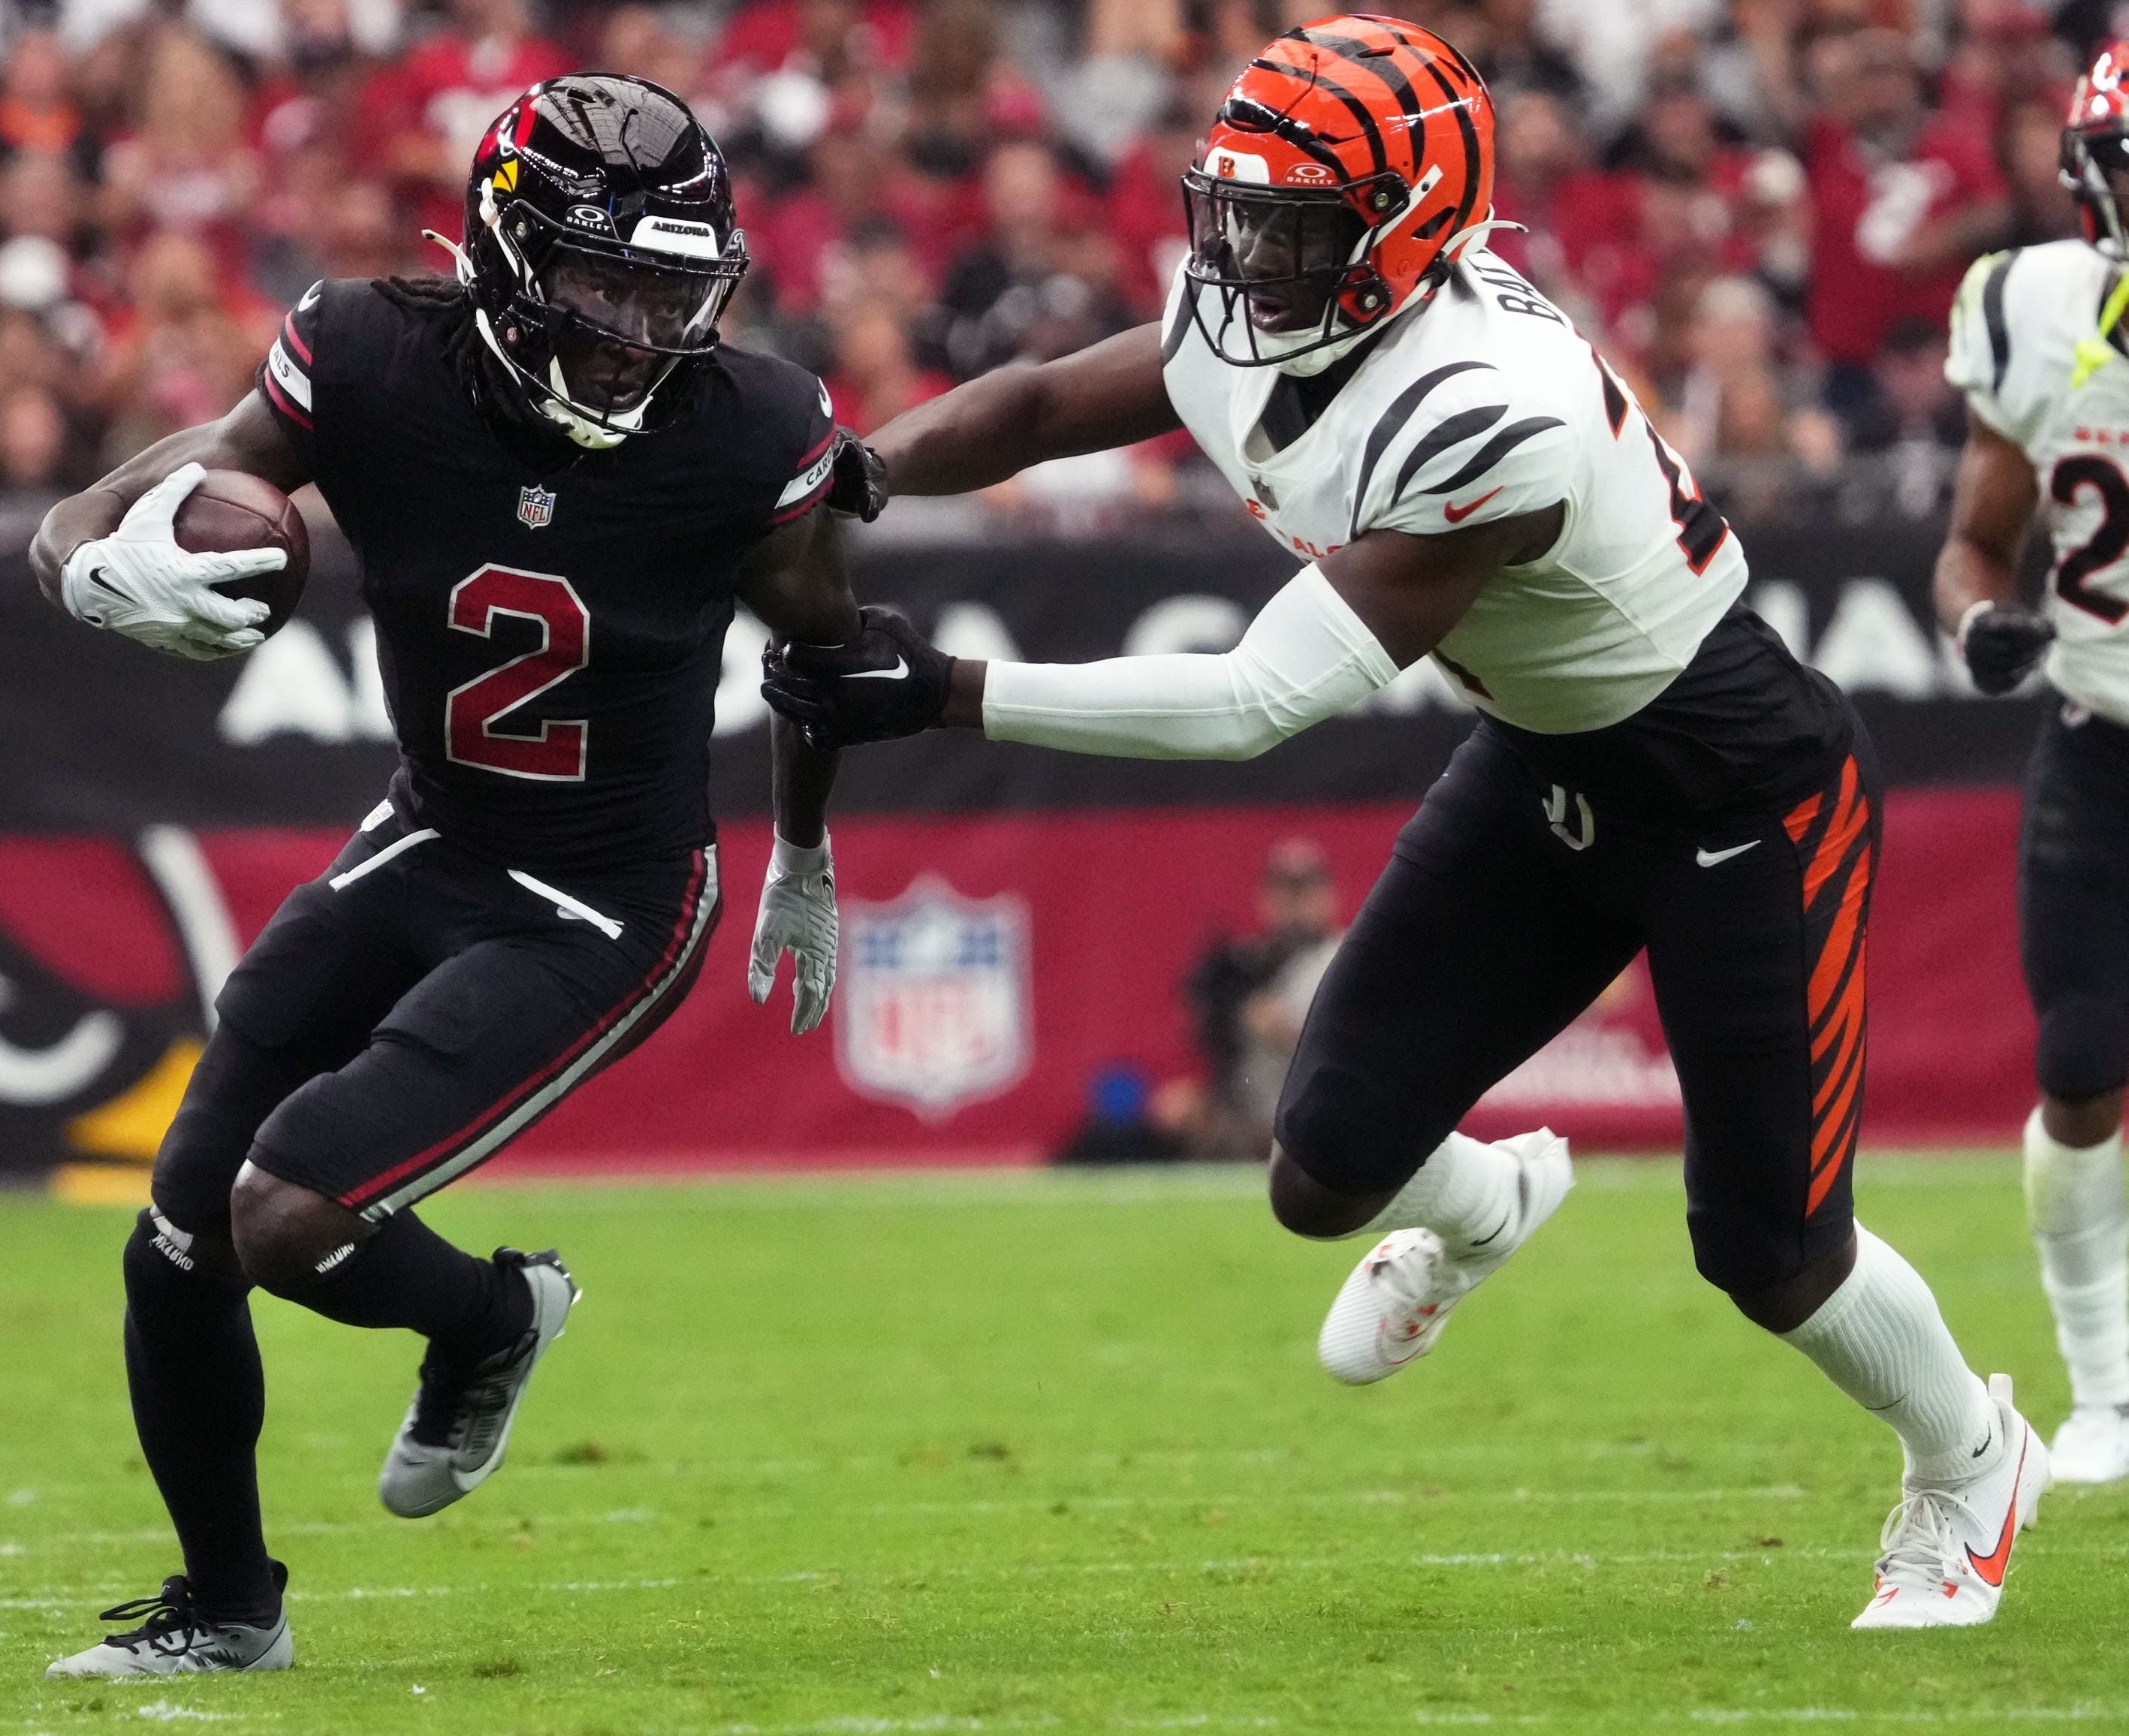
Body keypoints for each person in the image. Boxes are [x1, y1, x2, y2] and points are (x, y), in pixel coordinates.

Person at [770, 16, 2043, 1630]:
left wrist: (947, 690)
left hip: (1736, 796)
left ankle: (1969, 1454)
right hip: (1546, 762)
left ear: (1408, 231)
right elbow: (1027, 406)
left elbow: (1253, 701)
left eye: (1287, 227)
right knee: (1321, 1167)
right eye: (1231, 208)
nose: (1240, 255)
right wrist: (854, 477)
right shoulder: (1266, 308)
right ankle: (1488, 1205)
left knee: (1770, 1253)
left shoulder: (1483, 410)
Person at [29, 74, 860, 1677]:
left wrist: (804, 850)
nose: (637, 328)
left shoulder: (749, 428)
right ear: (501, 256)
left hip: (611, 891)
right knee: (181, 1231)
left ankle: (489, 1320)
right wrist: (84, 571)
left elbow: (825, 653)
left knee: (286, 1210)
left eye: (669, 288)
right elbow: (109, 501)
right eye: (603, 279)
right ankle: (226, 1610)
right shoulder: (368, 352)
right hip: (432, 829)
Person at [1934, 38, 2129, 1490]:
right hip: (2098, 733)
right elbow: (1971, 546)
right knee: (2077, 1064)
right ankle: (2107, 1393)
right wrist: (1979, 626)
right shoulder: (2032, 309)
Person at [1184, 839, 1343, 1159]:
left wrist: (1292, 1031)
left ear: (1329, 895)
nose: (1295, 903)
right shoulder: (1245, 962)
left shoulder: (1346, 960)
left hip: (1322, 1127)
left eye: (1305, 890)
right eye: (1285, 890)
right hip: (1247, 1130)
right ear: (1266, 898)